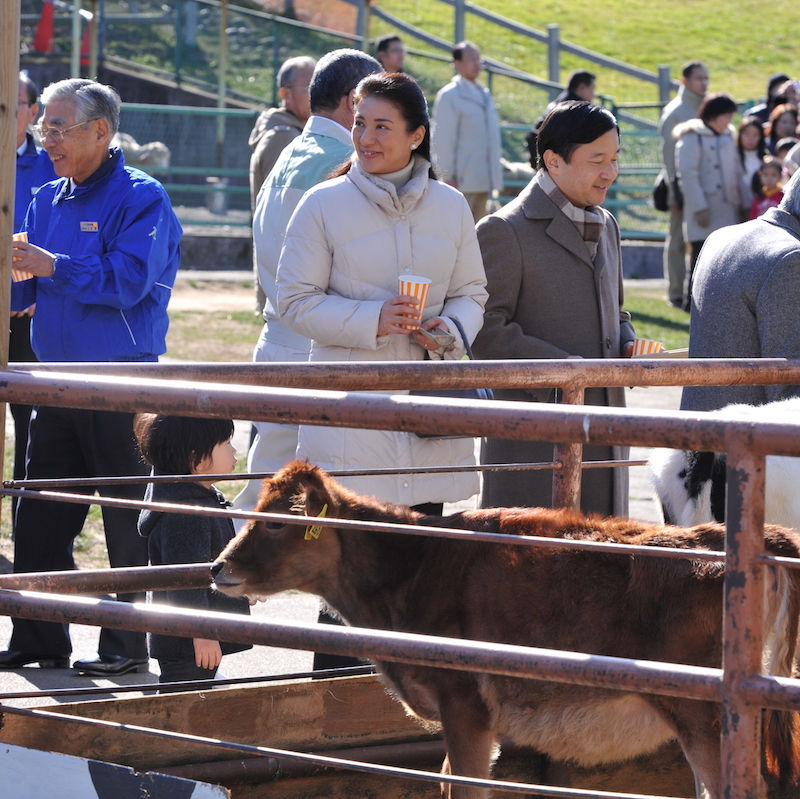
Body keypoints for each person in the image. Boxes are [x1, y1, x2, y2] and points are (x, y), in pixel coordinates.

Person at [1, 78, 182, 676]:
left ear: (100, 132)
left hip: (119, 383)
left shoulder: (142, 197)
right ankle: (37, 638)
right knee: (39, 515)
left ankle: (125, 648)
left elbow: (129, 281)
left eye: (58, 126)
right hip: (53, 380)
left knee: (125, 518)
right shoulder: (45, 198)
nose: (45, 137)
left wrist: (56, 267)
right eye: (43, 126)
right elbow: (23, 287)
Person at [277, 72, 487, 511]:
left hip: (430, 418)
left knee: (424, 564)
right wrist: (374, 319)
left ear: (417, 136)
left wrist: (447, 332)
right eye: (358, 123)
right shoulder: (320, 203)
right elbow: (294, 303)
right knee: (352, 565)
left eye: (381, 126)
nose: (364, 138)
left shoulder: (452, 206)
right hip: (351, 422)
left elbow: (473, 293)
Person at [233, 49, 382, 518]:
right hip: (324, 340)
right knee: (335, 493)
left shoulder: (290, 152)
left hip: (280, 335)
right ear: (354, 99)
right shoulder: (347, 161)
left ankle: (224, 575)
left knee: (268, 482)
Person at [472, 100, 635, 517]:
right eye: (597, 160)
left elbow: (616, 311)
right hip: (535, 441)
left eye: (615, 159)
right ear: (553, 161)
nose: (610, 172)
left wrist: (629, 343)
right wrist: (566, 375)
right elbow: (484, 331)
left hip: (605, 432)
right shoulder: (504, 230)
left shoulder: (608, 224)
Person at [134, 414, 252, 689]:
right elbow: (185, 582)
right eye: (226, 443)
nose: (234, 450)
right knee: (184, 700)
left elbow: (211, 562)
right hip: (186, 640)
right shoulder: (187, 514)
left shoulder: (196, 499)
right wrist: (202, 634)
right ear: (196, 459)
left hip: (187, 635)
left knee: (194, 694)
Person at [681, 168, 800, 413]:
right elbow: (790, 393)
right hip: (748, 443)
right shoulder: (791, 260)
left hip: (699, 436)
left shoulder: (722, 236)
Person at [11, 72, 56, 526]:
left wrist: (42, 294)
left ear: (31, 111)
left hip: (27, 319)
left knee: (31, 429)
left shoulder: (51, 166)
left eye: (13, 100)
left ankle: (25, 530)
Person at [248, 56, 316, 314]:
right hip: (285, 274)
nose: (317, 93)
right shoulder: (283, 139)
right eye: (309, 87)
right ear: (285, 94)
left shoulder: (292, 133)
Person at [675, 92, 746, 311]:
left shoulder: (727, 136)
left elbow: (736, 172)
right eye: (726, 115)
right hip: (705, 211)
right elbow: (687, 175)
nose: (730, 121)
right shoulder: (691, 136)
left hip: (728, 210)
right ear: (715, 115)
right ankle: (692, 305)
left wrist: (745, 202)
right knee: (699, 258)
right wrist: (699, 208)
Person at [432, 41, 503, 222]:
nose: (477, 63)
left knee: (478, 234)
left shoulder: (484, 93)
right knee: (458, 232)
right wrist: (447, 177)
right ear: (457, 64)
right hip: (461, 182)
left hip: (483, 179)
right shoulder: (449, 96)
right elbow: (443, 139)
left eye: (478, 58)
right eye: (471, 59)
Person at [657, 60, 709, 309]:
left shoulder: (704, 108)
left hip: (705, 186)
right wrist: (674, 191)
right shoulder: (676, 111)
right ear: (685, 81)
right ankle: (676, 292)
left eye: (706, 78)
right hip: (680, 186)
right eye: (699, 78)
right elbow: (668, 156)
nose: (704, 82)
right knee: (678, 239)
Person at [525, 70, 596, 167]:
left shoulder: (561, 102)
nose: (593, 94)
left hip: (544, 158)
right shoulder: (576, 109)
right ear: (582, 87)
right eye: (592, 89)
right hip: (557, 163)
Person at [736, 115, 766, 208]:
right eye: (747, 134)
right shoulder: (732, 156)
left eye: (755, 135)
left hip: (760, 207)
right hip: (738, 207)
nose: (750, 139)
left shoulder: (765, 158)